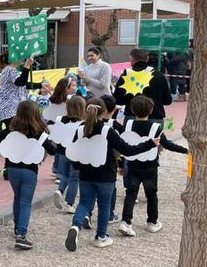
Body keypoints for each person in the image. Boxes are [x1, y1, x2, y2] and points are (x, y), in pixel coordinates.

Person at [65, 98, 159, 252]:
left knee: (84, 202)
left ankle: (75, 225)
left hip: (86, 173)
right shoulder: (107, 131)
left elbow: (74, 152)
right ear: (103, 112)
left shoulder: (80, 129)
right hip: (105, 174)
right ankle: (101, 236)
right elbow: (127, 150)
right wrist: (149, 143)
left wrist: (78, 167)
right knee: (104, 205)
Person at [118, 95, 189, 237]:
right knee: (151, 194)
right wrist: (185, 150)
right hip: (150, 166)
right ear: (150, 110)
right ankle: (152, 222)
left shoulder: (128, 125)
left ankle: (126, 221)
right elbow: (167, 145)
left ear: (132, 109)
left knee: (131, 193)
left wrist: (121, 164)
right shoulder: (156, 128)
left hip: (132, 164)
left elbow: (123, 146)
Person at [0, 100, 57, 250]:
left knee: (17, 197)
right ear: (36, 114)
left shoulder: (11, 131)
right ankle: (21, 235)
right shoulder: (40, 133)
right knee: (25, 202)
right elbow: (52, 150)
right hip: (29, 171)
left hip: (12, 169)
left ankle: (17, 227)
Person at [113, 48, 173, 122]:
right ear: (147, 58)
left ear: (131, 59)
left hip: (131, 116)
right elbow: (167, 100)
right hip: (155, 116)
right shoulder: (158, 75)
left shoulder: (126, 75)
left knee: (130, 134)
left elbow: (118, 99)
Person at [51, 96, 87, 214]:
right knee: (74, 178)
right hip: (76, 154)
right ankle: (69, 204)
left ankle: (60, 190)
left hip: (62, 152)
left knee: (65, 174)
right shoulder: (83, 123)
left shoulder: (60, 119)